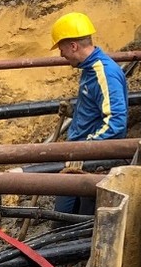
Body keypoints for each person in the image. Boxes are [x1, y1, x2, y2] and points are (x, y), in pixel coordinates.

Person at [50, 12, 128, 214]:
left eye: (62, 48)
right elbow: (98, 110)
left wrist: (87, 150)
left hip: (89, 162)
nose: (61, 55)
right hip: (77, 157)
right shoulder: (89, 70)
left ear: (73, 46)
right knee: (63, 215)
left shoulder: (104, 73)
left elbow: (116, 122)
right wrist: (74, 112)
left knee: (79, 222)